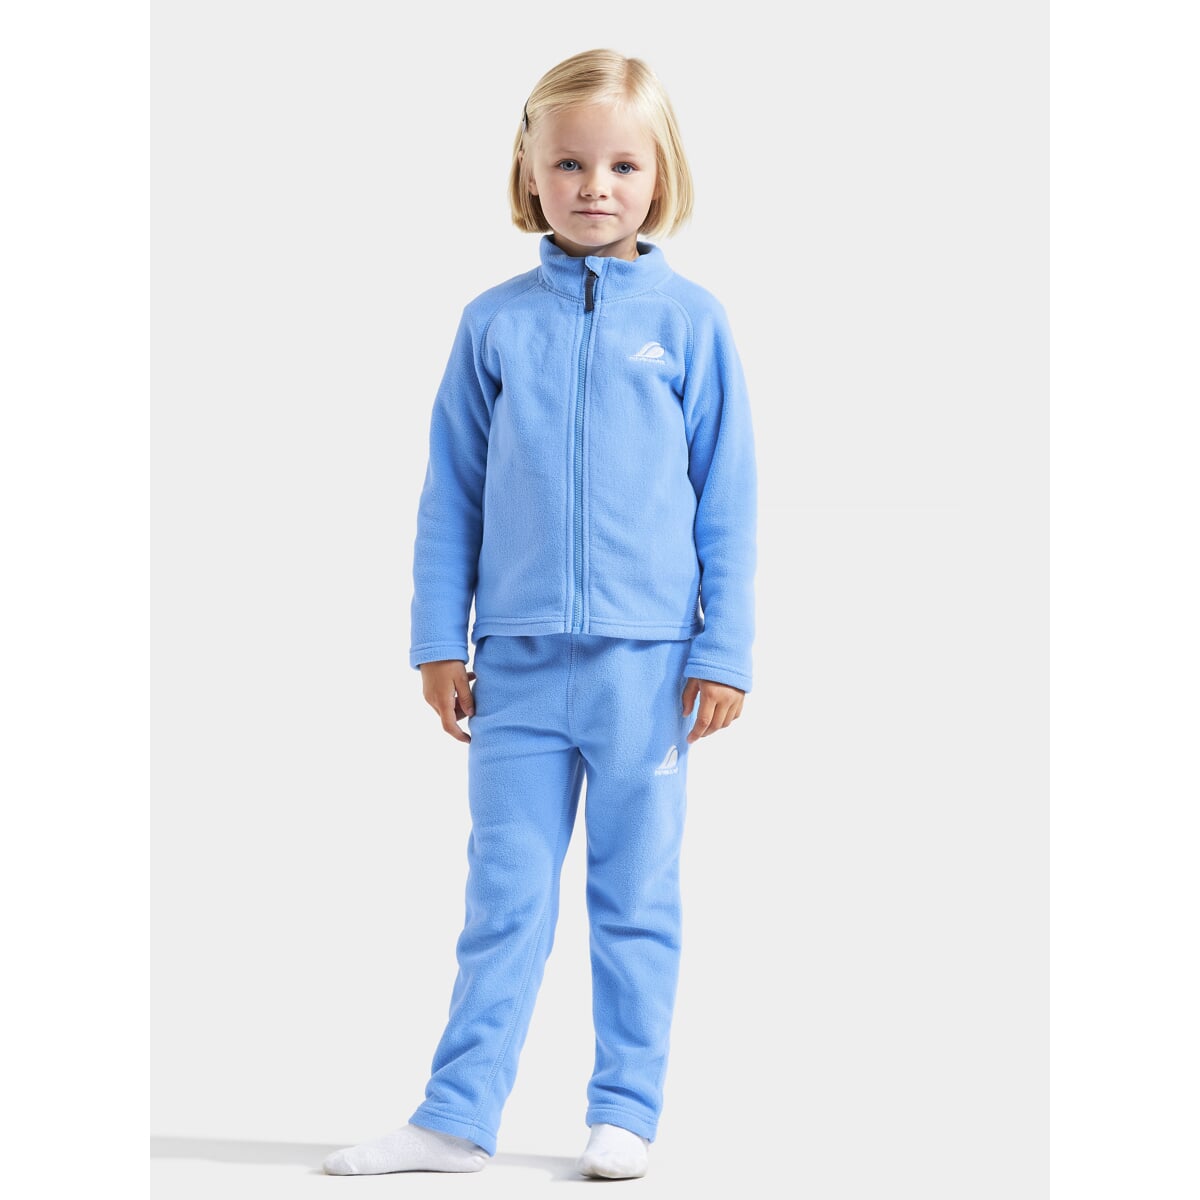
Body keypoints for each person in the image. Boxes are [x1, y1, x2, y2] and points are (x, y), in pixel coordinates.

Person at [323, 47, 757, 1182]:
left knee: (635, 899)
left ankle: (626, 1112)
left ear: (661, 173)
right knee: (502, 900)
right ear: (528, 168)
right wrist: (437, 640)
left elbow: (730, 498)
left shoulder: (693, 324)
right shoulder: (493, 325)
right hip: (513, 667)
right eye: (568, 163)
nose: (594, 186)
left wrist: (724, 648)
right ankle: (455, 1119)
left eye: (622, 165)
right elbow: (451, 493)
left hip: (649, 673)